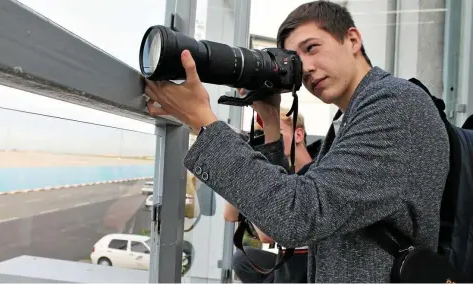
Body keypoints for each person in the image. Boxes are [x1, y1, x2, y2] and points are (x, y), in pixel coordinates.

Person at [143, 1, 450, 282]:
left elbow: (297, 216)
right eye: (298, 63)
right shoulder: (351, 117)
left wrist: (204, 122)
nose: (308, 69)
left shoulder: (392, 105)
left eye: (312, 47)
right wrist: (271, 122)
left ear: (353, 40)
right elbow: (283, 217)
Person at [224, 108, 319, 283]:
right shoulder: (280, 173)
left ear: (298, 135)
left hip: (315, 264)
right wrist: (245, 167)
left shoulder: (320, 170)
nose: (269, 141)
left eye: (277, 133)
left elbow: (268, 235)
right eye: (263, 135)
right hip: (289, 262)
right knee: (242, 259)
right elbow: (230, 215)